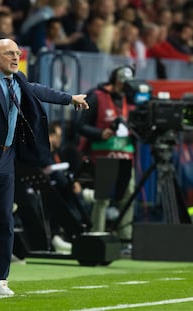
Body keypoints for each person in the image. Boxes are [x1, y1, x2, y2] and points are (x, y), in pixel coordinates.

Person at [0, 38, 89, 296]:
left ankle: (0, 280)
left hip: (6, 159)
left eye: (17, 53)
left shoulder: (18, 80)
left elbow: (40, 90)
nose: (15, 57)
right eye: (9, 53)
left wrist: (70, 99)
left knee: (5, 220)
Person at [78, 65, 136, 254]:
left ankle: (125, 239)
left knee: (128, 196)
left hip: (126, 155)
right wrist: (100, 133)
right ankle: (98, 238)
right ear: (115, 80)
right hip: (103, 156)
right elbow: (81, 125)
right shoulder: (97, 96)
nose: (124, 86)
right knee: (102, 199)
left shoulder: (130, 99)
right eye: (121, 82)